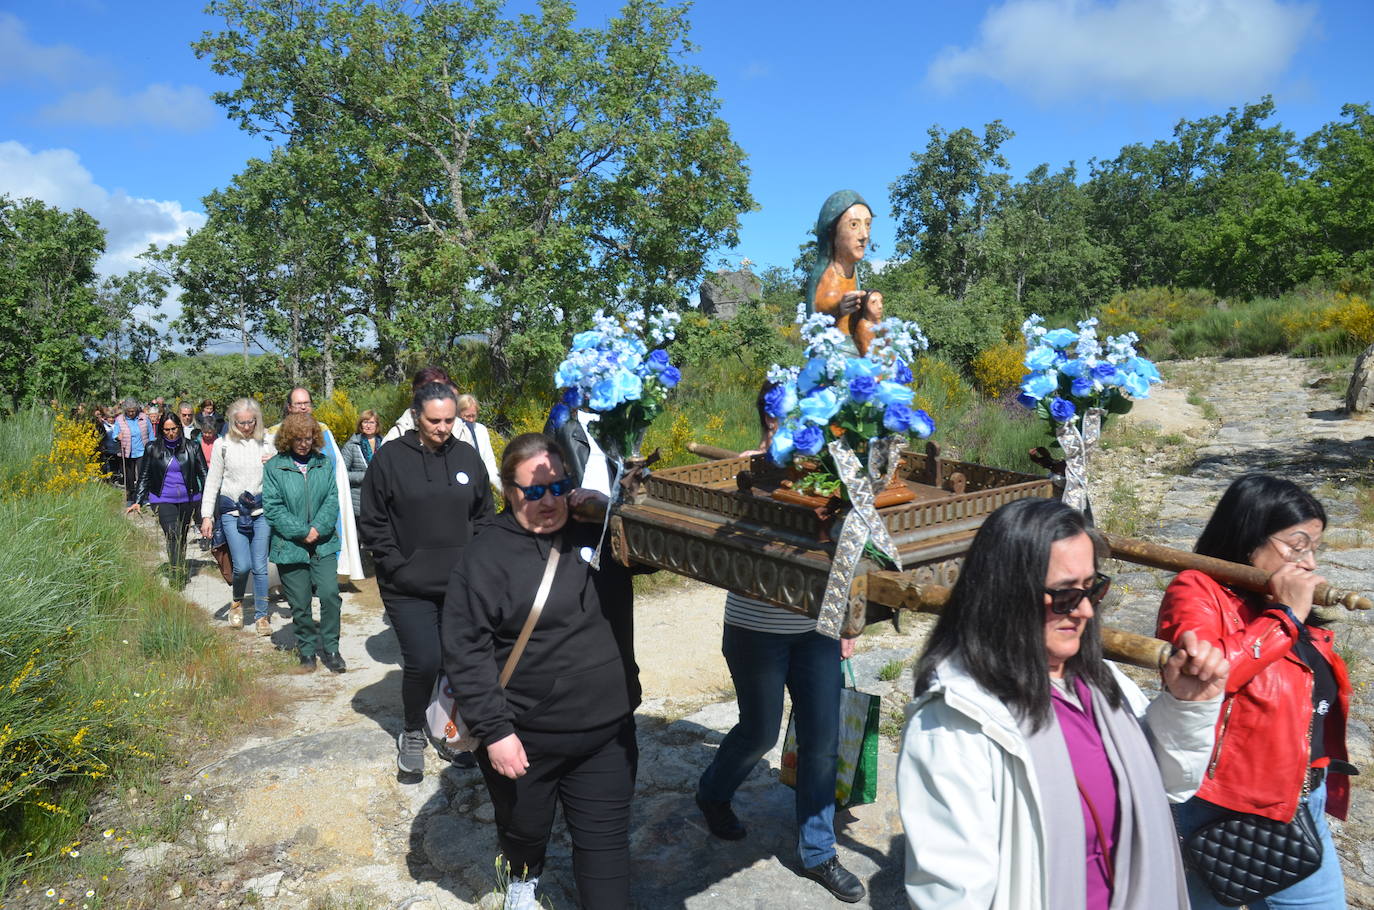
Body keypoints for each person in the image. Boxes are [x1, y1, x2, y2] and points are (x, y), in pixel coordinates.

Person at [898, 497, 1228, 910]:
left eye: (1092, 589)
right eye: (1066, 596)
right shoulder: (955, 724)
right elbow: (952, 896)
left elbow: (1172, 784)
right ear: (1006, 594)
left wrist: (1185, 704)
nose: (1087, 610)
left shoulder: (1100, 682)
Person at [444, 433, 644, 910]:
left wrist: (615, 511)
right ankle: (523, 876)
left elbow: (659, 553)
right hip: (527, 737)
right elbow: (465, 650)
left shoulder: (596, 530)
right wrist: (494, 732)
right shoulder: (485, 555)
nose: (549, 500)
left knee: (605, 849)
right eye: (534, 491)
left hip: (605, 732)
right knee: (524, 830)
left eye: (559, 486)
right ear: (507, 490)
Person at [695, 383, 865, 903]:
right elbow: (712, 536)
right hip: (754, 631)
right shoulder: (744, 476)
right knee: (761, 731)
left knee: (821, 741)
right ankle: (712, 794)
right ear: (766, 425)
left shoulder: (828, 477)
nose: (788, 434)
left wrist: (846, 625)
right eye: (777, 423)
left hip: (815, 632)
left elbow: (848, 549)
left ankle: (818, 853)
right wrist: (749, 480)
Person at [1157, 474, 1353, 910]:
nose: (1308, 562)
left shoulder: (1275, 598)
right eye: (1296, 545)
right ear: (1249, 534)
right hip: (1228, 802)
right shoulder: (1197, 590)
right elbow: (1208, 674)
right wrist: (1285, 617)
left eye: (1314, 548)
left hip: (1298, 796)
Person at [359, 382, 494, 776]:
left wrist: (479, 566)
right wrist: (398, 566)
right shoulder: (390, 459)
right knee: (424, 660)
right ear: (417, 417)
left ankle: (451, 732)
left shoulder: (467, 456)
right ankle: (413, 730)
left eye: (449, 420)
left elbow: (484, 515)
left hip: (460, 584)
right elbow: (373, 520)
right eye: (434, 420)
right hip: (407, 587)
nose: (443, 428)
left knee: (457, 661)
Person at [262, 413, 345, 673]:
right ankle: (307, 650)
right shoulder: (275, 467)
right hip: (290, 545)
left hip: (323, 542)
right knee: (300, 602)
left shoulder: (324, 463)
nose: (303, 444)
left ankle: (331, 648)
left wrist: (317, 529)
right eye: (298, 439)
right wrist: (301, 531)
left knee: (330, 595)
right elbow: (272, 508)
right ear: (289, 439)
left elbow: (332, 499)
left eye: (308, 438)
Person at [267, 387, 365, 581]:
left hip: (322, 503)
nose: (303, 408)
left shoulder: (324, 430)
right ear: (289, 407)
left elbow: (337, 466)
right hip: (292, 505)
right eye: (298, 404)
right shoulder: (275, 432)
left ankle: (320, 578)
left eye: (306, 403)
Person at [201, 399, 274, 633]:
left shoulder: (268, 442)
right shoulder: (223, 445)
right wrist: (206, 516)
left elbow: (285, 471)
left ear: (257, 419)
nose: (245, 427)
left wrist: (274, 462)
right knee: (242, 566)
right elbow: (213, 482)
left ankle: (262, 617)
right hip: (232, 511)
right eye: (240, 422)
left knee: (260, 566)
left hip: (261, 512)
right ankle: (237, 600)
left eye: (250, 422)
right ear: (233, 422)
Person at [128, 412, 208, 579]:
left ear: (179, 427)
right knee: (172, 533)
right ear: (161, 430)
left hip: (189, 499)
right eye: (166, 430)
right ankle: (176, 573)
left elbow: (204, 474)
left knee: (182, 536)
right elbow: (144, 475)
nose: (171, 432)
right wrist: (138, 500)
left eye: (174, 428)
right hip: (162, 498)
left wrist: (208, 500)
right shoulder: (152, 448)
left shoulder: (192, 447)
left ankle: (180, 565)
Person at [804, 190, 884, 355]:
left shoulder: (853, 272)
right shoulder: (823, 276)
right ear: (832, 231)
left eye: (868, 224)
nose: (864, 235)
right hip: (831, 361)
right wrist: (838, 311)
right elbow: (813, 329)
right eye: (854, 225)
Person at [542, 397, 612, 496]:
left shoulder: (614, 422)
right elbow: (544, 462)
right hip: (577, 502)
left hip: (611, 503)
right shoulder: (561, 419)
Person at [383, 366, 455, 444]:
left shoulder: (462, 431)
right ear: (415, 395)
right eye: (429, 392)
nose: (442, 428)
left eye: (441, 390)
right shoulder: (394, 438)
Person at [112, 397, 154, 506]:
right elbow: (114, 434)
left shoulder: (144, 418)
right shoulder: (120, 419)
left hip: (142, 450)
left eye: (133, 411)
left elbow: (150, 433)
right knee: (129, 476)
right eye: (129, 411)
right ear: (125, 410)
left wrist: (152, 446)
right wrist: (117, 436)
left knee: (142, 474)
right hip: (127, 451)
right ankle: (130, 497)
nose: (131, 413)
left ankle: (143, 496)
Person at [341, 410, 382, 520]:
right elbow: (341, 474)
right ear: (360, 424)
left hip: (380, 502)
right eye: (365, 422)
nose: (368, 426)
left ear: (377, 425)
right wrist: (365, 476)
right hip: (358, 503)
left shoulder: (385, 444)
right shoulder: (352, 445)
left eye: (372, 422)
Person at [456, 393, 500, 491]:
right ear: (458, 414)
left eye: (473, 416)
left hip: (480, 484)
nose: (471, 420)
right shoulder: (453, 432)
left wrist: (501, 487)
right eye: (467, 416)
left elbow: (489, 462)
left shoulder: (481, 430)